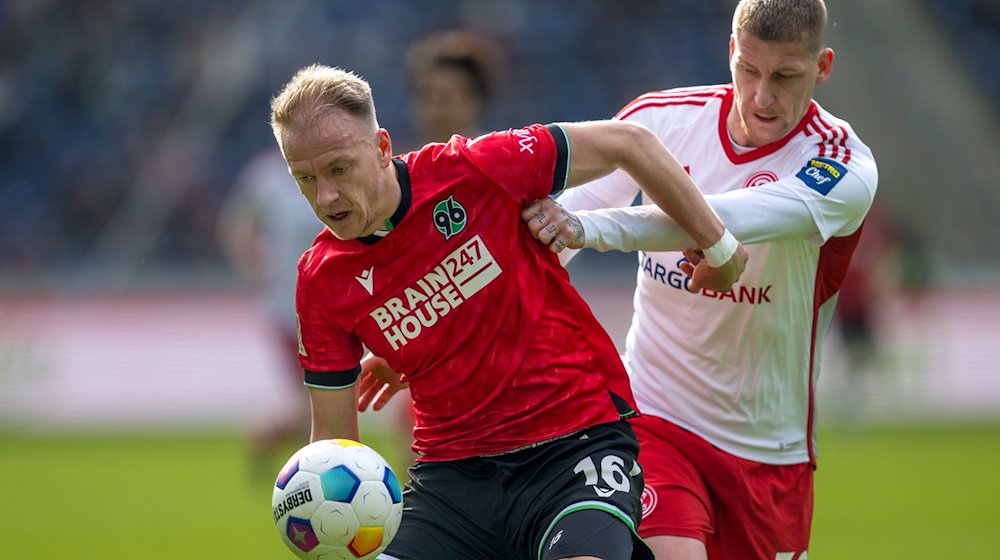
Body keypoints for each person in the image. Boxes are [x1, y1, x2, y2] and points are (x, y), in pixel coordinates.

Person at [269, 64, 746, 560]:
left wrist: (720, 246)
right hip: (451, 484)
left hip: (573, 450)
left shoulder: (474, 168)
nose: (325, 196)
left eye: (339, 169)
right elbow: (332, 449)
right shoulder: (321, 279)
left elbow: (631, 142)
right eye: (305, 178)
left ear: (382, 147)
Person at [520, 1, 879, 558]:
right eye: (749, 70)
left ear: (822, 66)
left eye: (785, 76)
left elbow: (723, 218)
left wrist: (586, 228)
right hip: (653, 417)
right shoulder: (658, 122)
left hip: (769, 451)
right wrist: (450, 333)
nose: (762, 96)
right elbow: (547, 242)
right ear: (730, 52)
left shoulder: (841, 166)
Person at [217, 147, 320, 478]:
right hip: (289, 308)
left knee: (318, 400)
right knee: (316, 399)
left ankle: (277, 444)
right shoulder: (267, 177)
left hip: (328, 303)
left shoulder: (329, 170)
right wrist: (255, 267)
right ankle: (273, 442)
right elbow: (236, 224)